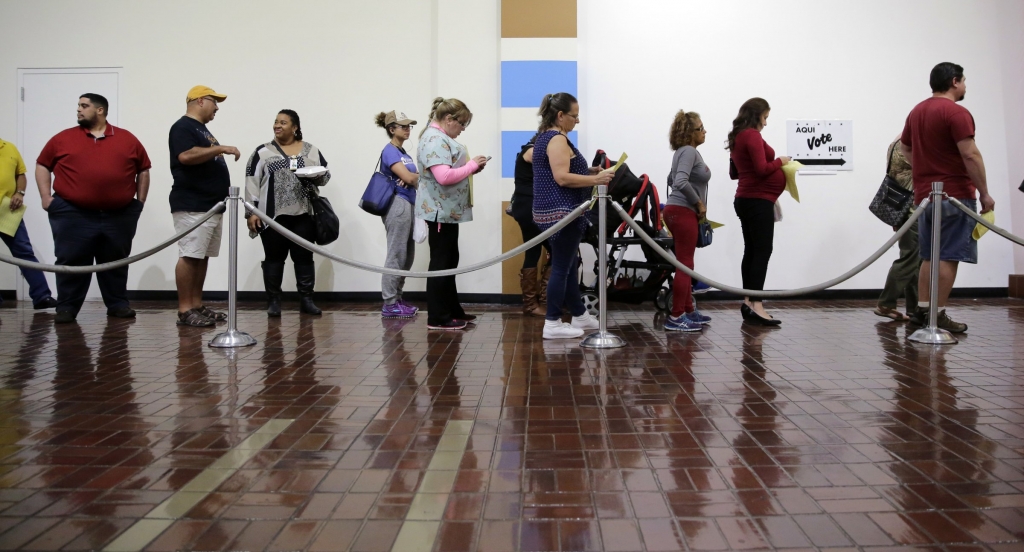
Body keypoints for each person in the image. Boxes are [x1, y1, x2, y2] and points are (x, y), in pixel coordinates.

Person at [34, 93, 150, 324]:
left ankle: (117, 304)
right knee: (70, 260)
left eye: (84, 106)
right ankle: (66, 307)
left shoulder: (127, 139)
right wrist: (46, 197)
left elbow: (143, 169)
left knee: (116, 260)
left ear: (100, 110)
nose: (78, 109)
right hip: (72, 212)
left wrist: (139, 202)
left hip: (119, 214)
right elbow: (42, 165)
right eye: (78, 105)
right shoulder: (62, 139)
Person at [901, 62, 995, 332]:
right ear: (954, 81)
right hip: (954, 194)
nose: (965, 86)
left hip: (925, 197)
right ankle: (938, 313)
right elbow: (970, 154)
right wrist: (985, 193)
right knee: (948, 255)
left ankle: (922, 310)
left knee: (929, 256)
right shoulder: (957, 112)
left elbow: (905, 148)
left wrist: (925, 168)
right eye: (964, 81)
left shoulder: (917, 111)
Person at [532, 92, 612, 339]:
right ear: (560, 115)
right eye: (574, 116)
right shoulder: (556, 139)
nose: (577, 121)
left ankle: (579, 314)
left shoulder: (546, 137)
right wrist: (595, 179)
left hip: (555, 212)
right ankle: (553, 323)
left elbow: (560, 169)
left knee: (566, 265)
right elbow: (561, 177)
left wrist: (588, 171)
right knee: (561, 268)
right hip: (562, 213)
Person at [245, 109, 330, 317]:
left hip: (303, 214)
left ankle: (307, 300)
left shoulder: (311, 151)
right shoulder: (261, 152)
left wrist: (317, 176)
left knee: (304, 258)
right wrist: (251, 212)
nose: (278, 125)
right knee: (274, 258)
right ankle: (273, 301)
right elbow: (251, 182)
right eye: (276, 122)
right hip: (271, 217)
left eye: (283, 122)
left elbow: (325, 177)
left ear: (295, 128)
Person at [415, 97, 489, 330]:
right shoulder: (434, 139)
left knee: (449, 261)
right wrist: (472, 166)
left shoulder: (439, 137)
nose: (463, 129)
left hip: (447, 211)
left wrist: (470, 170)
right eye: (462, 124)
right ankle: (438, 317)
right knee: (441, 263)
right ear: (449, 119)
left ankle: (452, 310)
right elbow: (444, 177)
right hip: (439, 212)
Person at [169, 85, 240, 327]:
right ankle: (185, 309)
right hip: (193, 204)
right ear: (200, 101)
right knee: (190, 255)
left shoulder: (201, 129)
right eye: (214, 101)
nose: (217, 107)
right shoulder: (182, 127)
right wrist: (219, 148)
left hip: (210, 206)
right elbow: (185, 156)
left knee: (202, 256)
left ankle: (196, 304)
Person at [728, 97, 790, 326]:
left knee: (752, 251)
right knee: (762, 251)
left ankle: (748, 301)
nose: (765, 123)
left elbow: (735, 173)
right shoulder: (752, 135)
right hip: (756, 201)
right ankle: (757, 304)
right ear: (757, 115)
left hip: (747, 199)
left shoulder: (738, 136)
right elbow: (763, 168)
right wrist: (781, 161)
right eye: (765, 117)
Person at [663, 110, 713, 332]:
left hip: (680, 210)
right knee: (685, 265)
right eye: (700, 128)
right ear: (689, 133)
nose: (704, 131)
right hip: (683, 211)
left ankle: (688, 310)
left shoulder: (684, 153)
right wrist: (699, 203)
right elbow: (680, 181)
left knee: (686, 263)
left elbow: (671, 178)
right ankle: (676, 316)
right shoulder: (689, 152)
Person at [0, 136, 56, 309]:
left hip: (7, 209)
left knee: (24, 252)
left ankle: (42, 297)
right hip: (8, 210)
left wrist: (20, 193)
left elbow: (20, 175)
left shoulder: (9, 147)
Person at [374, 110, 419, 318]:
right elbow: (410, 179)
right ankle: (390, 302)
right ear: (392, 129)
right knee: (396, 253)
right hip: (397, 204)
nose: (407, 129)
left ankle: (397, 299)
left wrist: (413, 176)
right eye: (403, 126)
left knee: (407, 256)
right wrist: (412, 177)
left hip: (408, 202)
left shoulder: (404, 154)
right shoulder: (390, 151)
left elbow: (414, 177)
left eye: (409, 126)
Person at [874, 136, 920, 321]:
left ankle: (916, 308)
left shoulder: (896, 142)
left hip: (903, 207)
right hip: (914, 209)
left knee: (917, 259)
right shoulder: (913, 144)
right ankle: (886, 303)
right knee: (910, 258)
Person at [509, 134, 552, 317]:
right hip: (529, 209)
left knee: (534, 251)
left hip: (530, 208)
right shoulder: (530, 151)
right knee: (555, 250)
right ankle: (539, 302)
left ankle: (535, 303)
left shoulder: (530, 150)